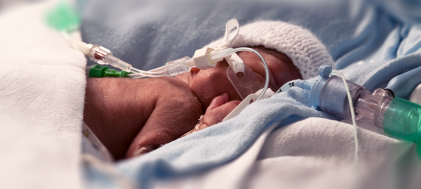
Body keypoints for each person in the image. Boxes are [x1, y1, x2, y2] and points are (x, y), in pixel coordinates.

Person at [82, 21, 334, 160]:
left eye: (272, 98)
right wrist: (203, 129)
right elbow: (138, 162)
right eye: (256, 79)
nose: (258, 101)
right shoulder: (180, 100)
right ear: (209, 60)